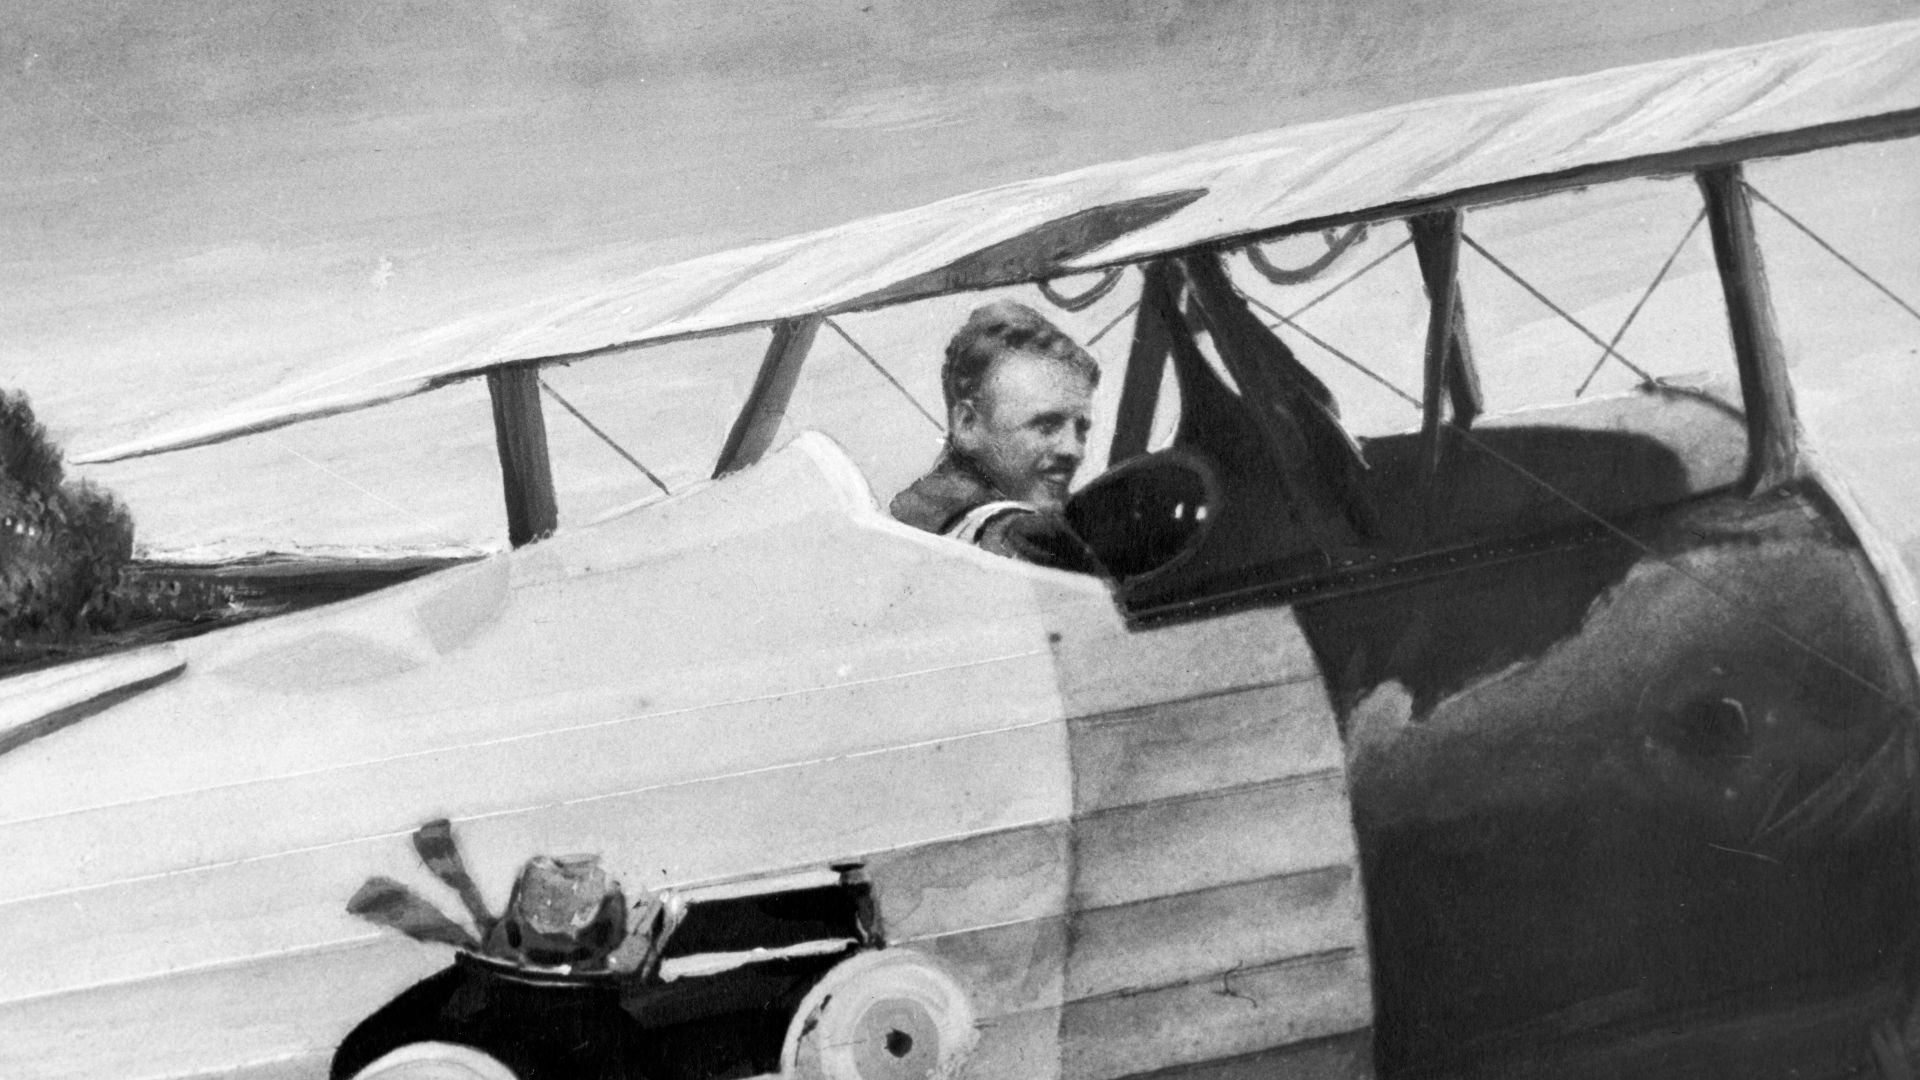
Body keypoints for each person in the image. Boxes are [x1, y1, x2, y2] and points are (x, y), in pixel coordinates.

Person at [889, 300, 1103, 573]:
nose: (1073, 450)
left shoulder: (910, 515)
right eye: (1046, 425)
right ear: (967, 424)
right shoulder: (1019, 538)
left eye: (1081, 429)